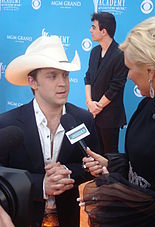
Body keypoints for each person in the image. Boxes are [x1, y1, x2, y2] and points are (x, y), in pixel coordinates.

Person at [0, 35, 100, 227]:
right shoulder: (7, 123)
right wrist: (40, 185)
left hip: (68, 218)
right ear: (32, 82)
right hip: (21, 219)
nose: (63, 83)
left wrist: (67, 173)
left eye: (65, 75)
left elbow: (92, 165)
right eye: (52, 76)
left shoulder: (83, 119)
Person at [80, 16, 155, 226]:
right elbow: (138, 163)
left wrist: (117, 191)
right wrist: (110, 164)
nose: (128, 76)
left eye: (130, 68)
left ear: (150, 71)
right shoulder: (147, 105)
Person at [84, 12, 128, 154]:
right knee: (96, 152)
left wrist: (98, 107)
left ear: (104, 31)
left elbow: (115, 86)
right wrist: (90, 102)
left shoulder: (120, 54)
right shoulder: (94, 52)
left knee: (110, 155)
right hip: (93, 113)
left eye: (93, 27)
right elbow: (88, 78)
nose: (90, 30)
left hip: (110, 116)